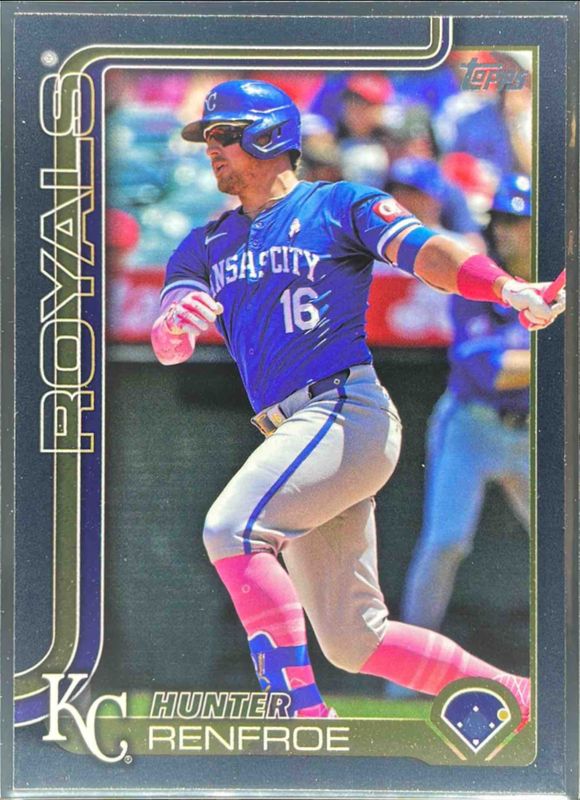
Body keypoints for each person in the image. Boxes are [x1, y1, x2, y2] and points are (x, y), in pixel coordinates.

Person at [151, 80, 564, 724]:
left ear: (269, 135)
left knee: (232, 530)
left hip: (343, 411)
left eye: (224, 133)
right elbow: (169, 339)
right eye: (206, 136)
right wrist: (173, 328)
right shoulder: (204, 243)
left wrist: (506, 289)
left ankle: (298, 718)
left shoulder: (337, 203)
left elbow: (427, 252)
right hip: (294, 434)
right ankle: (524, 698)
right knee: (355, 641)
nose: (211, 148)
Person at [394, 174, 534, 656]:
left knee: (562, 545)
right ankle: (408, 671)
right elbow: (486, 370)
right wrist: (559, 357)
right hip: (472, 427)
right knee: (445, 543)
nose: (504, 230)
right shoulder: (479, 279)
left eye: (517, 220)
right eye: (500, 220)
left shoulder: (558, 282)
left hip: (533, 433)